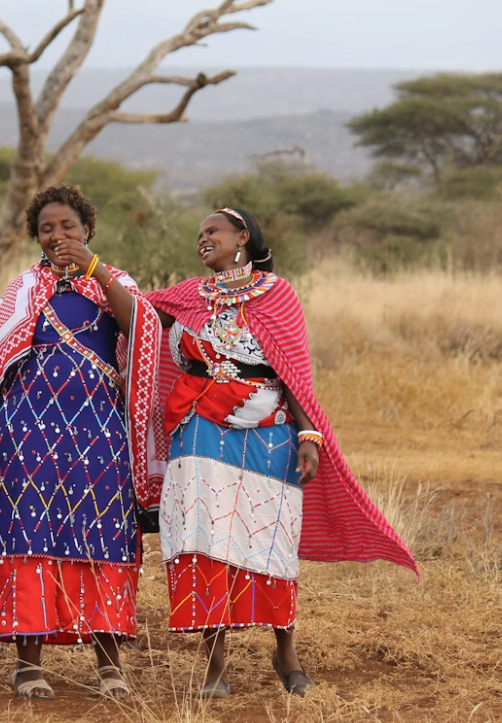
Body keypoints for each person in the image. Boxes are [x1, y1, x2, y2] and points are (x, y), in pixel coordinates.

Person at [145, 208, 418, 699]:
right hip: (198, 428)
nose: (203, 239)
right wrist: (94, 268)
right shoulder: (187, 296)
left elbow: (293, 373)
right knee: (206, 536)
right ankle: (214, 664)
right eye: (199, 234)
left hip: (268, 430)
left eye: (213, 231)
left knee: (270, 536)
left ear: (242, 238)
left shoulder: (278, 294)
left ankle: (285, 652)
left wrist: (309, 436)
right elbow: (138, 319)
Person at [0, 184, 162, 700]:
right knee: (28, 537)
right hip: (26, 432)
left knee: (106, 536)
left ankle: (109, 664)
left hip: (99, 432)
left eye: (68, 227)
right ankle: (28, 665)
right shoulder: (23, 288)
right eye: (47, 228)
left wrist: (95, 269)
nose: (58, 236)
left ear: (87, 230)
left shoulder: (116, 282)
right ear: (35, 236)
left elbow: (140, 327)